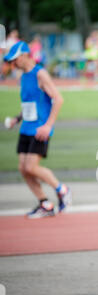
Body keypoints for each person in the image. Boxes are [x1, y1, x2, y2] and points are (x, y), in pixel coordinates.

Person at [4, 41, 72, 218]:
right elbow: (29, 104)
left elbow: (58, 99)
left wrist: (48, 125)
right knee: (23, 168)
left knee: (31, 167)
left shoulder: (40, 74)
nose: (13, 63)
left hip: (40, 129)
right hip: (26, 128)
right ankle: (45, 203)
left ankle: (62, 189)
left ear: (25, 55)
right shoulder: (23, 76)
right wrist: (16, 119)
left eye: (15, 59)